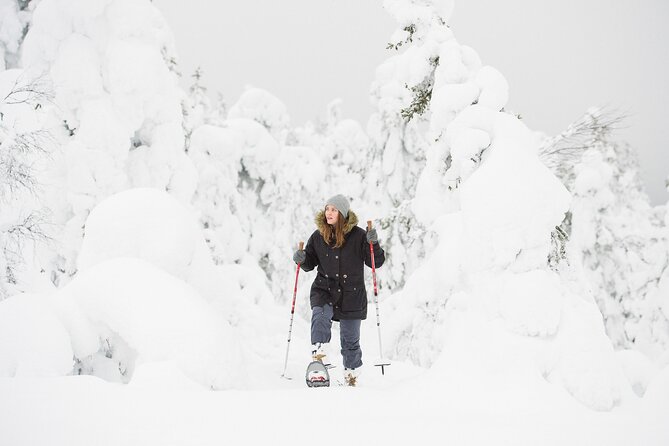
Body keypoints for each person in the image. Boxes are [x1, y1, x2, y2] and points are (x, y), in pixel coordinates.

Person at [293, 194, 385, 386]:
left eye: (333, 209)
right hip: (324, 289)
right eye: (327, 209)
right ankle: (318, 354)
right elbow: (309, 263)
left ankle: (351, 375)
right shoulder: (318, 236)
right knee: (319, 315)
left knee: (350, 340)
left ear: (342, 213)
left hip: (352, 295)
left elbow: (375, 262)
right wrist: (301, 259)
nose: (329, 213)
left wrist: (373, 244)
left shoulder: (359, 235)